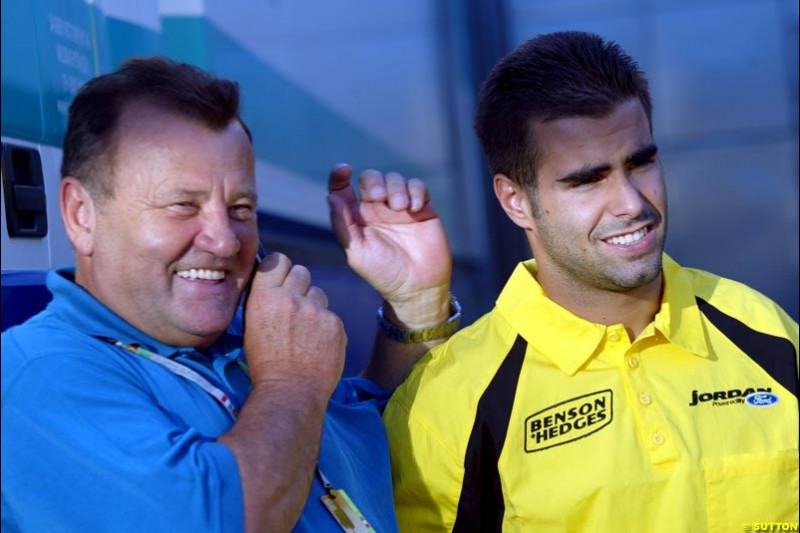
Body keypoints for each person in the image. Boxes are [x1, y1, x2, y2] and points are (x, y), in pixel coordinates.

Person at [1, 57, 456, 532]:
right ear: (81, 215)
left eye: (240, 207)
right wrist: (290, 382)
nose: (225, 240)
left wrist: (415, 304)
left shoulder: (248, 345)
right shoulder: (39, 372)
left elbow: (384, 444)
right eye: (183, 205)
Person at [383, 31, 799, 532]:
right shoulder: (448, 402)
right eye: (587, 179)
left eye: (640, 162)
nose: (631, 203)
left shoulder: (763, 330)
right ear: (516, 201)